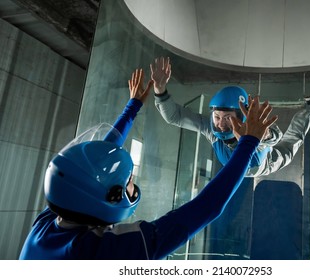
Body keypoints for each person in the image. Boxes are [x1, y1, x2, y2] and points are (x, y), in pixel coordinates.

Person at [19, 68, 277, 260]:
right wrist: (249, 142)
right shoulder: (108, 253)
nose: (134, 185)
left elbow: (94, 163)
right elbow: (206, 206)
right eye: (129, 181)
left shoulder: (47, 224)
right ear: (108, 198)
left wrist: (132, 107)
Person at [151, 57, 310, 185]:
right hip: (241, 166)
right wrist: (160, 91)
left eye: (227, 118)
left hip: (266, 164)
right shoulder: (211, 129)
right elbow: (175, 117)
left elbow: (276, 138)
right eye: (217, 117)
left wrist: (261, 133)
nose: (220, 124)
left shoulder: (251, 127)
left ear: (241, 116)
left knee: (292, 142)